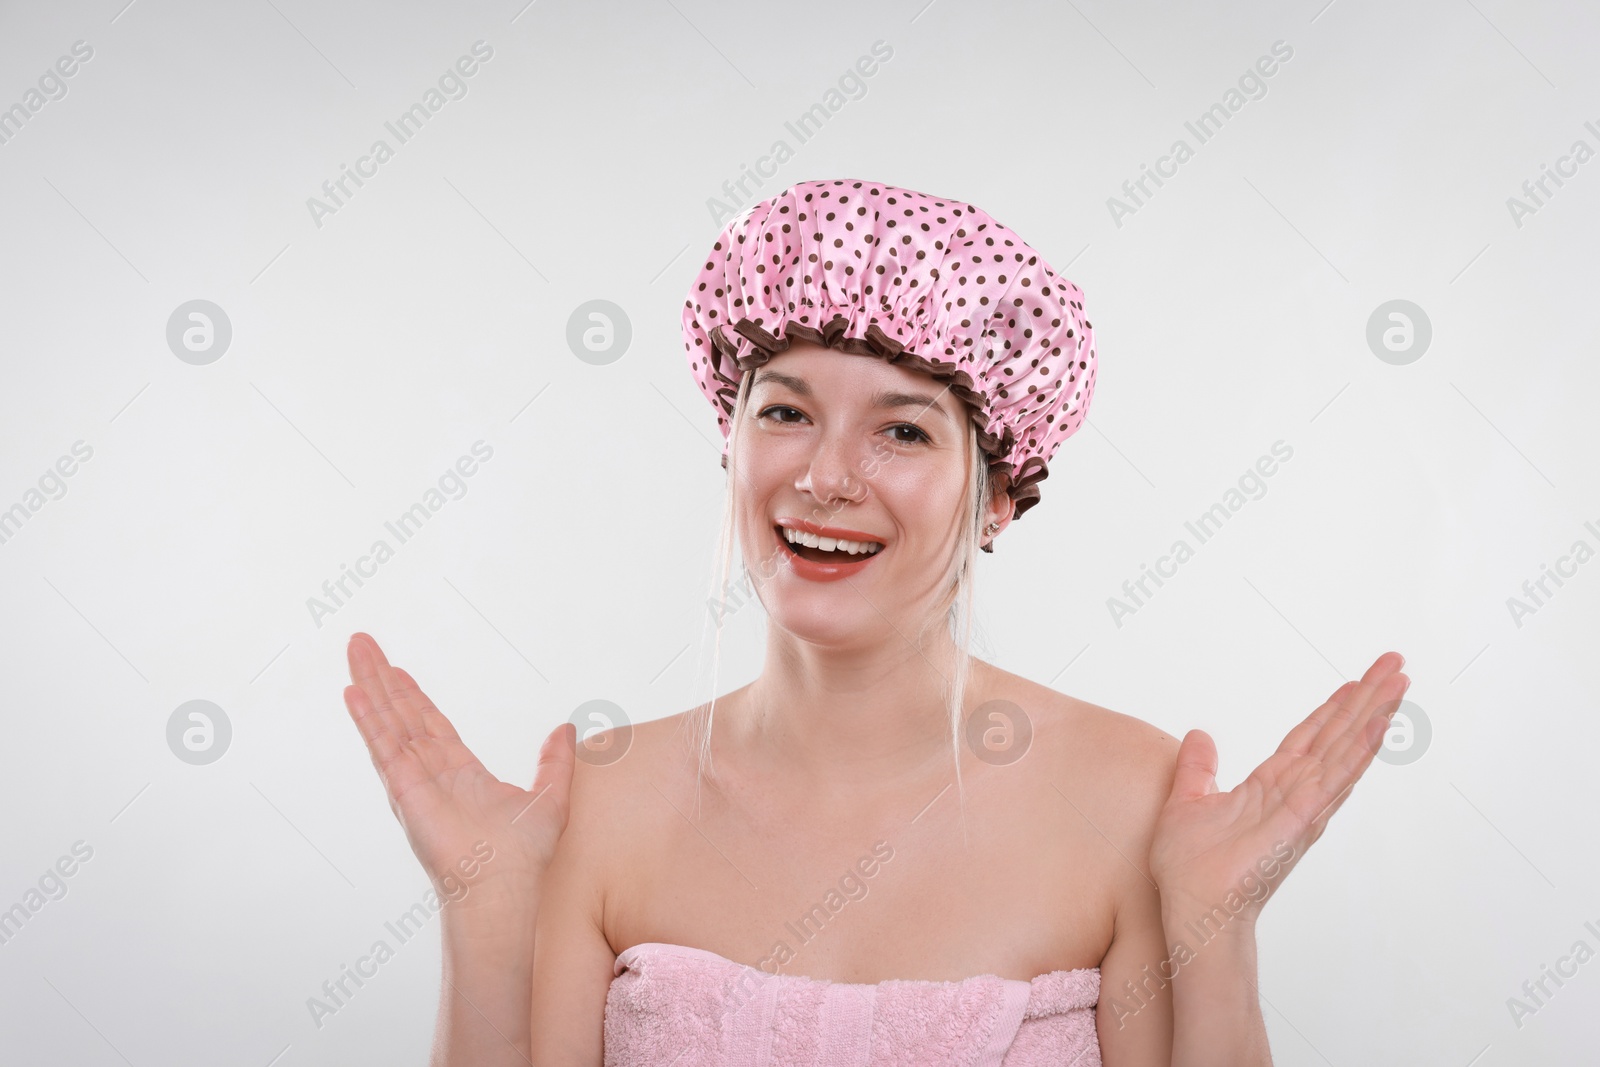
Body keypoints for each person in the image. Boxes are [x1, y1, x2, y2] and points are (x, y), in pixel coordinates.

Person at [340, 178, 1410, 1066]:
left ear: (996, 494)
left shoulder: (1138, 801)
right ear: (732, 441)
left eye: (900, 429)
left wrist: (1212, 929)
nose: (822, 474)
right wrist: (484, 911)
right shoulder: (596, 799)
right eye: (786, 411)